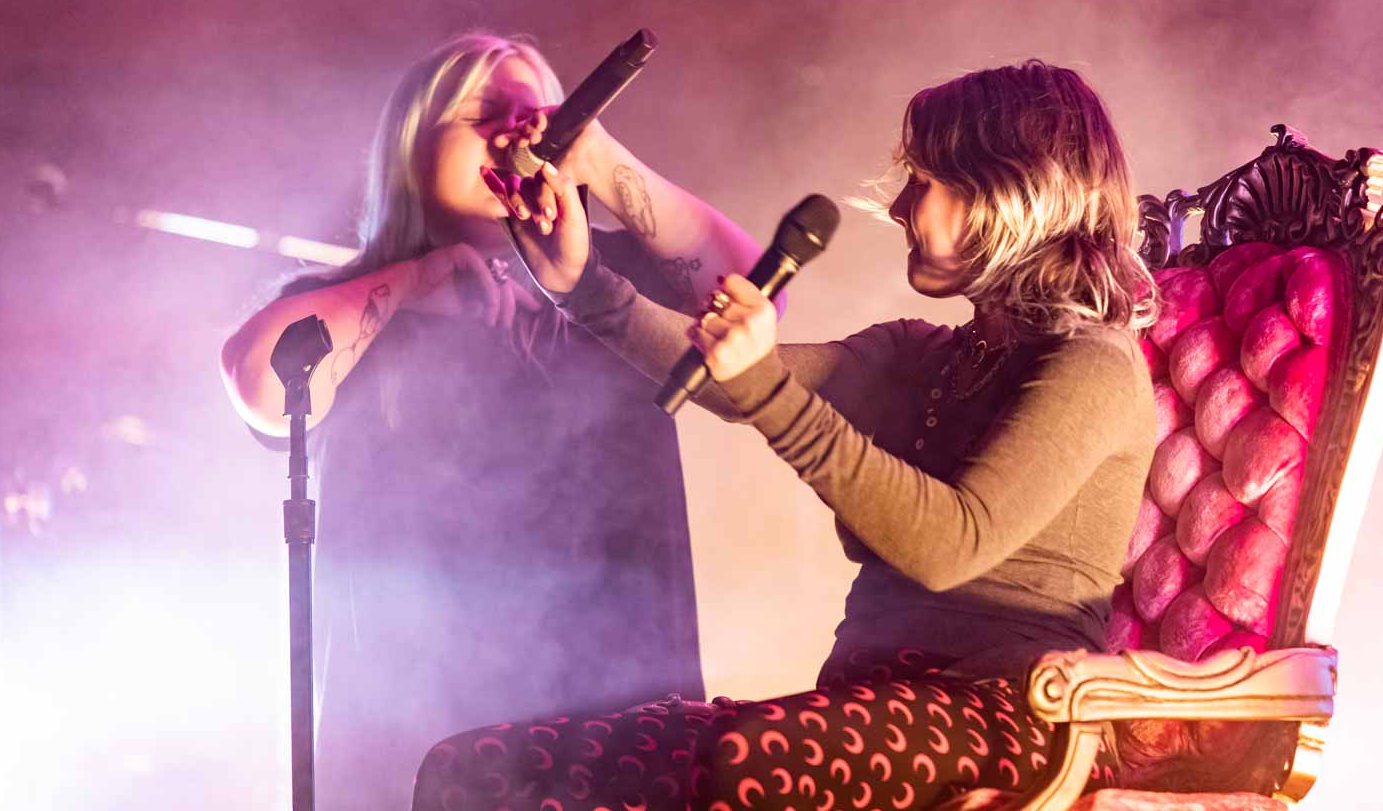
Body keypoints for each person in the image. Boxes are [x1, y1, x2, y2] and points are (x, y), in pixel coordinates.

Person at [411, 60, 1160, 810]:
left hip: (1023, 723)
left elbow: (951, 545)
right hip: (868, 706)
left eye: (925, 182)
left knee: (747, 758)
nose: (901, 207)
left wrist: (764, 390)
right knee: (480, 767)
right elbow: (731, 382)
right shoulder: (919, 353)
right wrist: (583, 287)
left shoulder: (1095, 364)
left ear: (1010, 193)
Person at [219, 33, 774, 810]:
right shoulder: (362, 304)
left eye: (535, 115)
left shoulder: (611, 280)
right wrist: (418, 280)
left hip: (625, 723)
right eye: (483, 113)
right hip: (418, 729)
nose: (515, 133)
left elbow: (758, 292)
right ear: (412, 144)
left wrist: (600, 156)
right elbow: (259, 380)